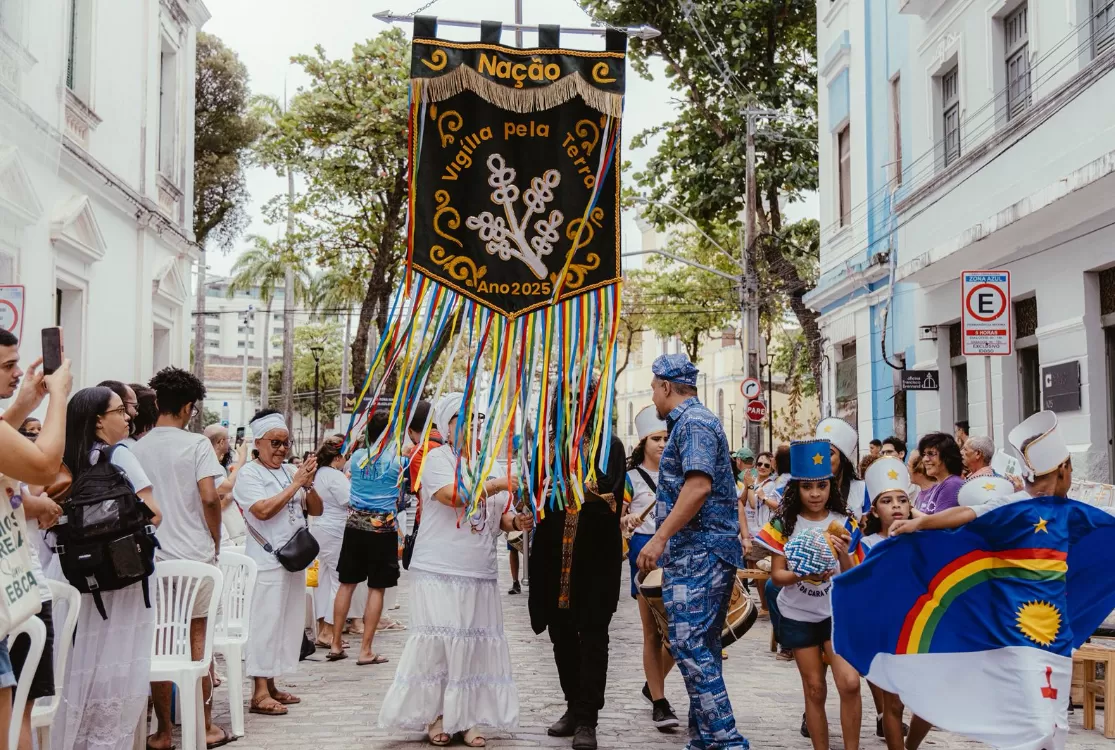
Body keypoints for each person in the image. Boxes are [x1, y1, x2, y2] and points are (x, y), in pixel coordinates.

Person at [378, 393, 531, 748]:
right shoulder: (436, 459)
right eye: (462, 418)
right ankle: (436, 715)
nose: (472, 424)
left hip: (479, 572)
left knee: (471, 646)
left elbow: (496, 519)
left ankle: (467, 717)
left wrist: (514, 520)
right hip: (440, 568)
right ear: (446, 425)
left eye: (477, 417)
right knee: (440, 644)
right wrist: (499, 484)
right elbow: (453, 496)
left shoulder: (490, 463)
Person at [636, 354, 749, 750]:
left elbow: (698, 487)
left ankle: (727, 739)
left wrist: (659, 537)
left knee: (687, 643)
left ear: (667, 385)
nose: (652, 396)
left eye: (653, 387)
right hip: (700, 550)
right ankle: (703, 739)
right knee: (703, 646)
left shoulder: (695, 424)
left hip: (700, 551)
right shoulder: (690, 423)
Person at [56, 386, 163, 750]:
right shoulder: (121, 456)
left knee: (79, 665)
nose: (128, 416)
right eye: (120, 411)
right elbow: (155, 515)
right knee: (117, 667)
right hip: (122, 573)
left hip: (77, 578)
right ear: (100, 420)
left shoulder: (63, 457)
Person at [131, 367, 232, 750]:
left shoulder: (136, 447)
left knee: (159, 643)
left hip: (153, 559)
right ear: (189, 407)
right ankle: (203, 726)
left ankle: (161, 732)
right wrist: (216, 537)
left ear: (156, 401)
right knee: (197, 641)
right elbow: (210, 496)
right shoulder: (196, 445)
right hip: (194, 557)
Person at [530, 387, 626, 750]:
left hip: (594, 554)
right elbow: (537, 494)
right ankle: (572, 705)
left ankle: (588, 718)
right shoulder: (546, 447)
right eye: (566, 402)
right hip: (554, 553)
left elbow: (610, 496)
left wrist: (570, 490)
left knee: (594, 635)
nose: (573, 409)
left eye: (580, 402)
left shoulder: (609, 446)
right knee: (560, 632)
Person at [757, 440, 861, 750]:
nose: (815, 494)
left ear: (831, 486)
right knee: (815, 690)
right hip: (798, 616)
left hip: (835, 614)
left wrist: (843, 555)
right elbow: (777, 576)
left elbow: (851, 573)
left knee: (850, 683)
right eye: (807, 487)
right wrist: (805, 572)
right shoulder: (783, 524)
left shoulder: (844, 522)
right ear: (796, 489)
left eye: (821, 486)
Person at [234, 409, 323, 717]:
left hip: (293, 559)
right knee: (265, 623)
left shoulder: (289, 471)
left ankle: (271, 685)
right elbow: (261, 511)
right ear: (258, 442)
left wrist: (307, 484)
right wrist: (295, 483)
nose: (282, 449)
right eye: (276, 442)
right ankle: (258, 692)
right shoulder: (249, 474)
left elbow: (318, 509)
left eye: (287, 443)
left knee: (285, 622)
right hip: (266, 561)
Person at [893, 411, 1072, 534]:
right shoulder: (1081, 514)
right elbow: (964, 512)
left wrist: (918, 522)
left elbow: (966, 512)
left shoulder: (1009, 503)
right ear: (1064, 470)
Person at [327, 411, 402, 664]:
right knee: (376, 588)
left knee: (346, 583)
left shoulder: (356, 458)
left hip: (355, 526)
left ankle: (335, 643)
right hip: (383, 529)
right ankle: (366, 650)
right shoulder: (397, 461)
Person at [621, 405, 679, 732]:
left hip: (678, 553)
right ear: (643, 442)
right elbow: (620, 517)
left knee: (681, 634)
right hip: (646, 554)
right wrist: (625, 519)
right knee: (652, 632)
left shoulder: (682, 475)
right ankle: (659, 700)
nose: (661, 443)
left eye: (667, 438)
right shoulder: (629, 479)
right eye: (655, 438)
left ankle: (652, 682)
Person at [859, 457, 922, 749]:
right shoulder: (865, 544)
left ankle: (912, 745)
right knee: (893, 704)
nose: (896, 506)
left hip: (920, 629)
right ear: (874, 509)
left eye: (902, 500)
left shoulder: (923, 540)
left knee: (925, 702)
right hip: (884, 633)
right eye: (887, 500)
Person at [310, 435, 350, 649]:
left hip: (318, 528)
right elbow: (349, 500)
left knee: (323, 580)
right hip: (334, 529)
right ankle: (329, 630)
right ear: (338, 457)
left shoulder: (319, 474)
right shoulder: (335, 476)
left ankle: (322, 629)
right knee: (339, 580)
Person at [744, 451, 777, 612]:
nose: (762, 467)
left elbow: (751, 502)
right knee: (755, 572)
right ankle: (765, 605)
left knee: (760, 572)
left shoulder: (770, 484)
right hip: (751, 531)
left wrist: (749, 486)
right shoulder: (755, 481)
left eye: (766, 465)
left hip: (762, 532)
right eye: (760, 464)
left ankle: (765, 606)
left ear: (771, 468)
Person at [816, 417, 868, 516]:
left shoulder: (861, 489)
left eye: (829, 454)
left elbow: (867, 528)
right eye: (819, 453)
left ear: (842, 459)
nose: (822, 459)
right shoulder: (808, 490)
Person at [913, 432, 964, 514]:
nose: (925, 459)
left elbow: (938, 524)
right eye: (924, 454)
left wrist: (910, 509)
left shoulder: (952, 484)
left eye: (931, 454)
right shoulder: (937, 486)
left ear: (946, 457)